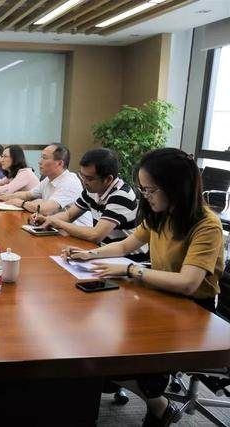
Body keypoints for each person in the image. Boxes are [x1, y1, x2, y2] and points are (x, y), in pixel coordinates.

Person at [62, 148, 225, 426]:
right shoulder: (160, 213)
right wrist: (89, 254)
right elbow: (126, 245)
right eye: (143, 189)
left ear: (176, 187)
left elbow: (188, 283)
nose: (145, 196)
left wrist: (131, 270)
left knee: (110, 351)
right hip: (161, 297)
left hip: (193, 310)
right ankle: (156, 400)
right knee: (92, 337)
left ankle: (155, 399)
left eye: (150, 190)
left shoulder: (206, 225)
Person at [30, 148, 146, 259]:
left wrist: (57, 222)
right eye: (82, 176)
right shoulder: (92, 190)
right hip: (102, 251)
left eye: (89, 178)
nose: (84, 182)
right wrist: (48, 220)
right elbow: (69, 215)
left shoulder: (121, 195)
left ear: (108, 179)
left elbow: (96, 235)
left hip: (127, 258)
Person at [0, 143, 91, 226]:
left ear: (60, 163)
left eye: (44, 158)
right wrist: (7, 197)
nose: (39, 162)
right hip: (55, 226)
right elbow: (28, 194)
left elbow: (46, 209)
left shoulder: (69, 182)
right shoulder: (48, 179)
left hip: (76, 233)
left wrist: (21, 203)